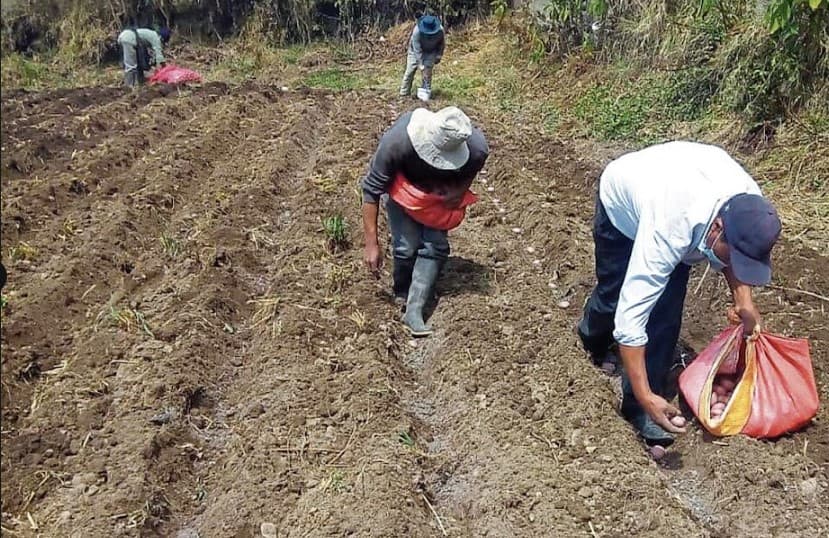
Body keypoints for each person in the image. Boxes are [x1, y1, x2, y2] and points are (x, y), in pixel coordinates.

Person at [577, 141, 782, 447]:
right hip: (622, 206)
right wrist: (646, 395)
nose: (736, 264)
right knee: (614, 297)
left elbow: (738, 251)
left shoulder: (752, 209)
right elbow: (631, 319)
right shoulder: (672, 225)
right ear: (717, 228)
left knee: (664, 316)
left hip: (678, 195)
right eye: (733, 257)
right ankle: (591, 339)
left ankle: (638, 411)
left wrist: (743, 300)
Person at [362, 106, 488, 336]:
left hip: (440, 194)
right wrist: (371, 244)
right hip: (405, 190)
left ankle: (415, 310)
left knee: (435, 246)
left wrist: (461, 189)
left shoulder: (474, 145)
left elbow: (477, 162)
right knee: (405, 247)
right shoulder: (397, 142)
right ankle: (402, 292)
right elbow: (371, 190)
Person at [399, 14, 445, 99]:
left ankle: (425, 94)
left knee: (427, 73)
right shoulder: (417, 32)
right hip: (414, 51)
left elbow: (442, 44)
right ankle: (404, 93)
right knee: (410, 71)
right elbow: (417, 50)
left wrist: (439, 55)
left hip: (431, 51)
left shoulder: (440, 31)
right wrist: (421, 65)